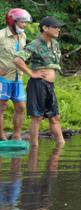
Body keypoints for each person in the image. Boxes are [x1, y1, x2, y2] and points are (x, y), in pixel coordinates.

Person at [15, 17, 67, 147]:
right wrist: (32, 73)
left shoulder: (55, 43)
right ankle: (34, 148)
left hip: (49, 85)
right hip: (38, 85)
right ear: (45, 28)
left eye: (58, 27)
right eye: (55, 27)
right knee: (37, 118)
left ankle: (61, 145)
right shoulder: (35, 44)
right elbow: (17, 60)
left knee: (55, 117)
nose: (58, 29)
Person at [0, 9, 30, 141]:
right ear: (12, 22)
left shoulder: (23, 36)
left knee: (21, 106)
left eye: (25, 22)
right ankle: (1, 136)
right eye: (22, 22)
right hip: (3, 79)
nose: (25, 25)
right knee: (2, 107)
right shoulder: (1, 36)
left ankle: (17, 135)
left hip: (18, 77)